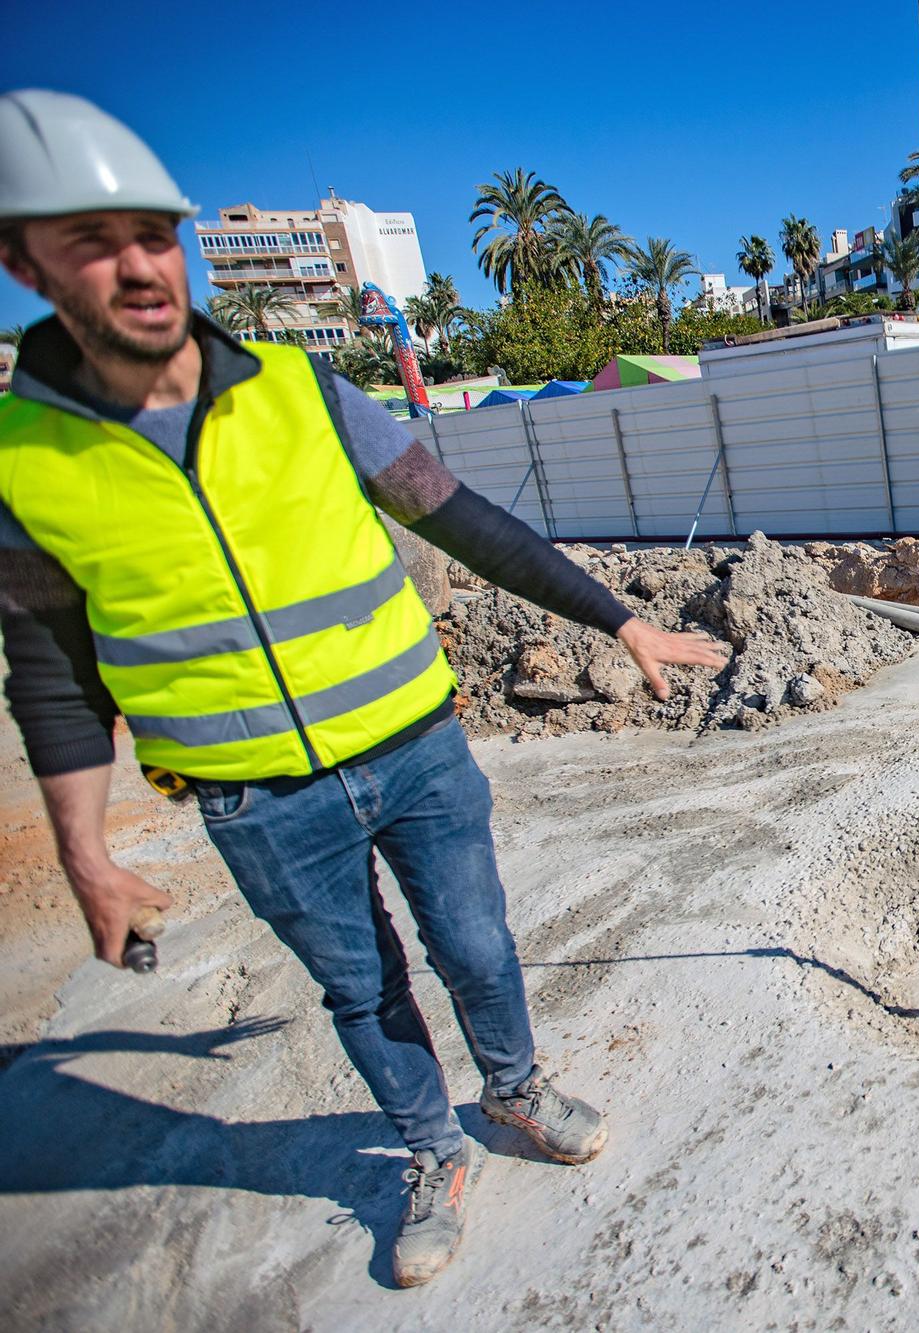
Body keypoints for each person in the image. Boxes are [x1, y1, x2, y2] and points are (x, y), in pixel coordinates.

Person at [0, 90, 728, 1287]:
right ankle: (431, 1150)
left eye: (150, 232)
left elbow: (463, 517)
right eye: (92, 242)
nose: (137, 266)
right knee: (360, 989)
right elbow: (51, 667)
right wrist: (84, 848)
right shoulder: (27, 460)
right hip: (255, 797)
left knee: (482, 948)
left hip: (414, 747)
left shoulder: (297, 390)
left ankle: (515, 1088)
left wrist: (620, 617)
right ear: (27, 265)